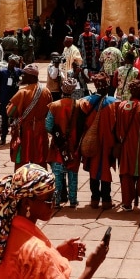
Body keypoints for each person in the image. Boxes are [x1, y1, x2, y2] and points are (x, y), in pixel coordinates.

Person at [80, 73, 118, 210]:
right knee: (105, 169)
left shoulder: (85, 102)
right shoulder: (114, 103)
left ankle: (95, 199)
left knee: (93, 169)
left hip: (90, 141)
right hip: (107, 142)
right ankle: (106, 200)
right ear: (107, 86)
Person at [46, 78, 82, 209]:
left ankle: (56, 201)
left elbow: (48, 126)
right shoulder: (78, 105)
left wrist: (57, 135)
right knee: (73, 175)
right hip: (73, 146)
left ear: (62, 89)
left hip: (58, 146)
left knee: (57, 175)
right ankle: (73, 200)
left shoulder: (54, 105)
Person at [116, 80, 140, 212]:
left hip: (125, 146)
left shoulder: (122, 106)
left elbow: (118, 127)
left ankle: (127, 204)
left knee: (126, 175)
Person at [8, 65, 51, 168]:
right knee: (40, 158)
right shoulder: (46, 91)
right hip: (41, 129)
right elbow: (49, 110)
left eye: (25, 75)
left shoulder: (22, 92)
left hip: (25, 131)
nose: (22, 77)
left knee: (23, 159)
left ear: (31, 77)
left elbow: (9, 112)